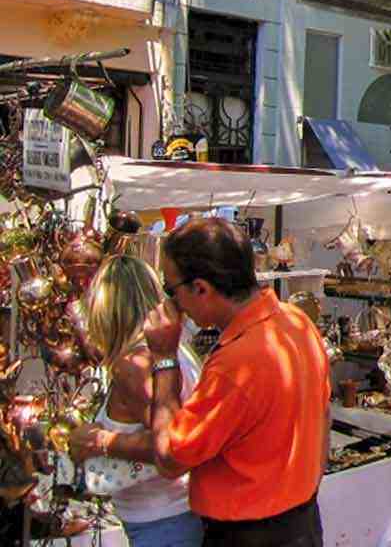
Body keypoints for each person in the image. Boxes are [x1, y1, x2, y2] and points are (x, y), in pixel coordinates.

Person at [71, 218, 331, 547]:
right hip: (299, 520)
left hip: (250, 532)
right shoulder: (296, 322)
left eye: (172, 290)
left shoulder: (237, 362)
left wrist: (164, 358)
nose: (170, 303)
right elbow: (323, 416)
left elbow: (169, 457)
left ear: (201, 288)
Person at [80, 256, 204, 546]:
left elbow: (171, 447)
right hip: (176, 513)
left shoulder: (135, 364)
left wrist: (100, 441)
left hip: (163, 519)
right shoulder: (175, 353)